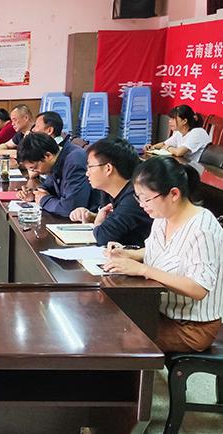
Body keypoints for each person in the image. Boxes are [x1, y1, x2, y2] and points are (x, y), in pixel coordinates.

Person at [103, 156, 222, 352]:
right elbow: (162, 251)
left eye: (146, 198)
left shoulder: (202, 229)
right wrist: (129, 255)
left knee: (119, 339)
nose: (142, 204)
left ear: (173, 194)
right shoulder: (162, 217)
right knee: (108, 319)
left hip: (191, 327)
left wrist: (142, 269)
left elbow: (198, 288)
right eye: (138, 197)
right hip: (161, 310)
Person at [69, 137, 153, 247]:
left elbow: (103, 237)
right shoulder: (110, 192)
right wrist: (92, 216)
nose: (87, 173)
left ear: (108, 168)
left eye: (90, 167)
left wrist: (98, 223)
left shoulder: (134, 198)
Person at [16, 132, 99, 218]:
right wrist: (34, 194)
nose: (35, 171)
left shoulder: (74, 161)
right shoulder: (57, 160)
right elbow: (48, 187)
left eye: (34, 168)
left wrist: (43, 200)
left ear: (48, 156)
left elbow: (71, 208)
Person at [144, 105, 210, 163]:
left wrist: (167, 147)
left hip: (195, 169)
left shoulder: (198, 132)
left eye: (173, 119)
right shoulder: (179, 133)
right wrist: (152, 147)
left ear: (184, 121)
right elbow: (164, 144)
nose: (170, 121)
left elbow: (179, 152)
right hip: (183, 165)